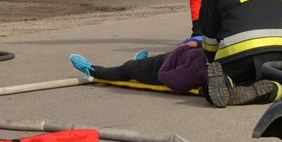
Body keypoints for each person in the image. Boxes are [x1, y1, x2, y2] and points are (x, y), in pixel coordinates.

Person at [69, 44, 207, 95]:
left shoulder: (195, 73)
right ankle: (140, 62)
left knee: (126, 69)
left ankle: (92, 70)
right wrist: (198, 43)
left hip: (157, 69)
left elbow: (164, 76)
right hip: (173, 57)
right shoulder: (216, 56)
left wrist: (180, 49)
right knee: (140, 64)